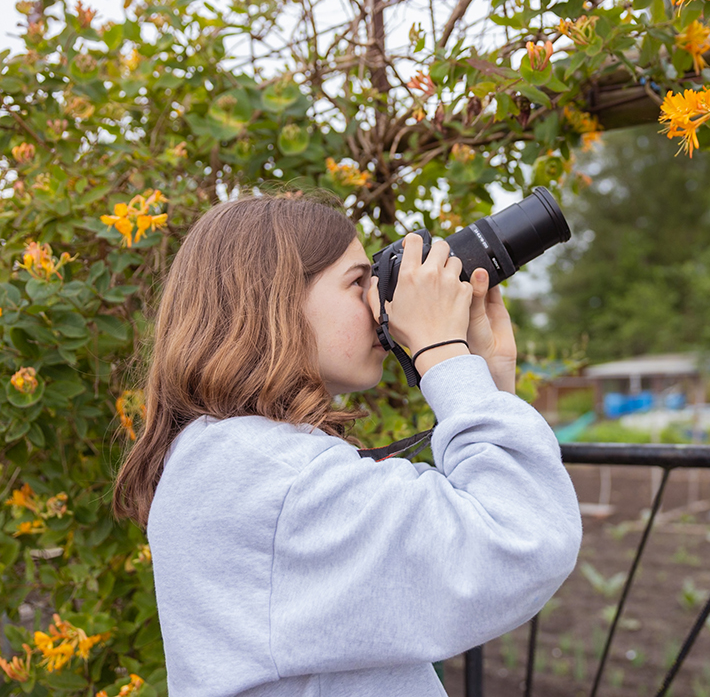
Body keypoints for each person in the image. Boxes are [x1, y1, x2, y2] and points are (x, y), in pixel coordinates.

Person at [112, 192, 583, 697]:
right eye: (358, 281)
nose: (379, 300)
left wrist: (484, 387)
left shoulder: (236, 459)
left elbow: (466, 534)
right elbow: (521, 541)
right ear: (275, 299)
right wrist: (443, 356)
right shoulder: (271, 477)